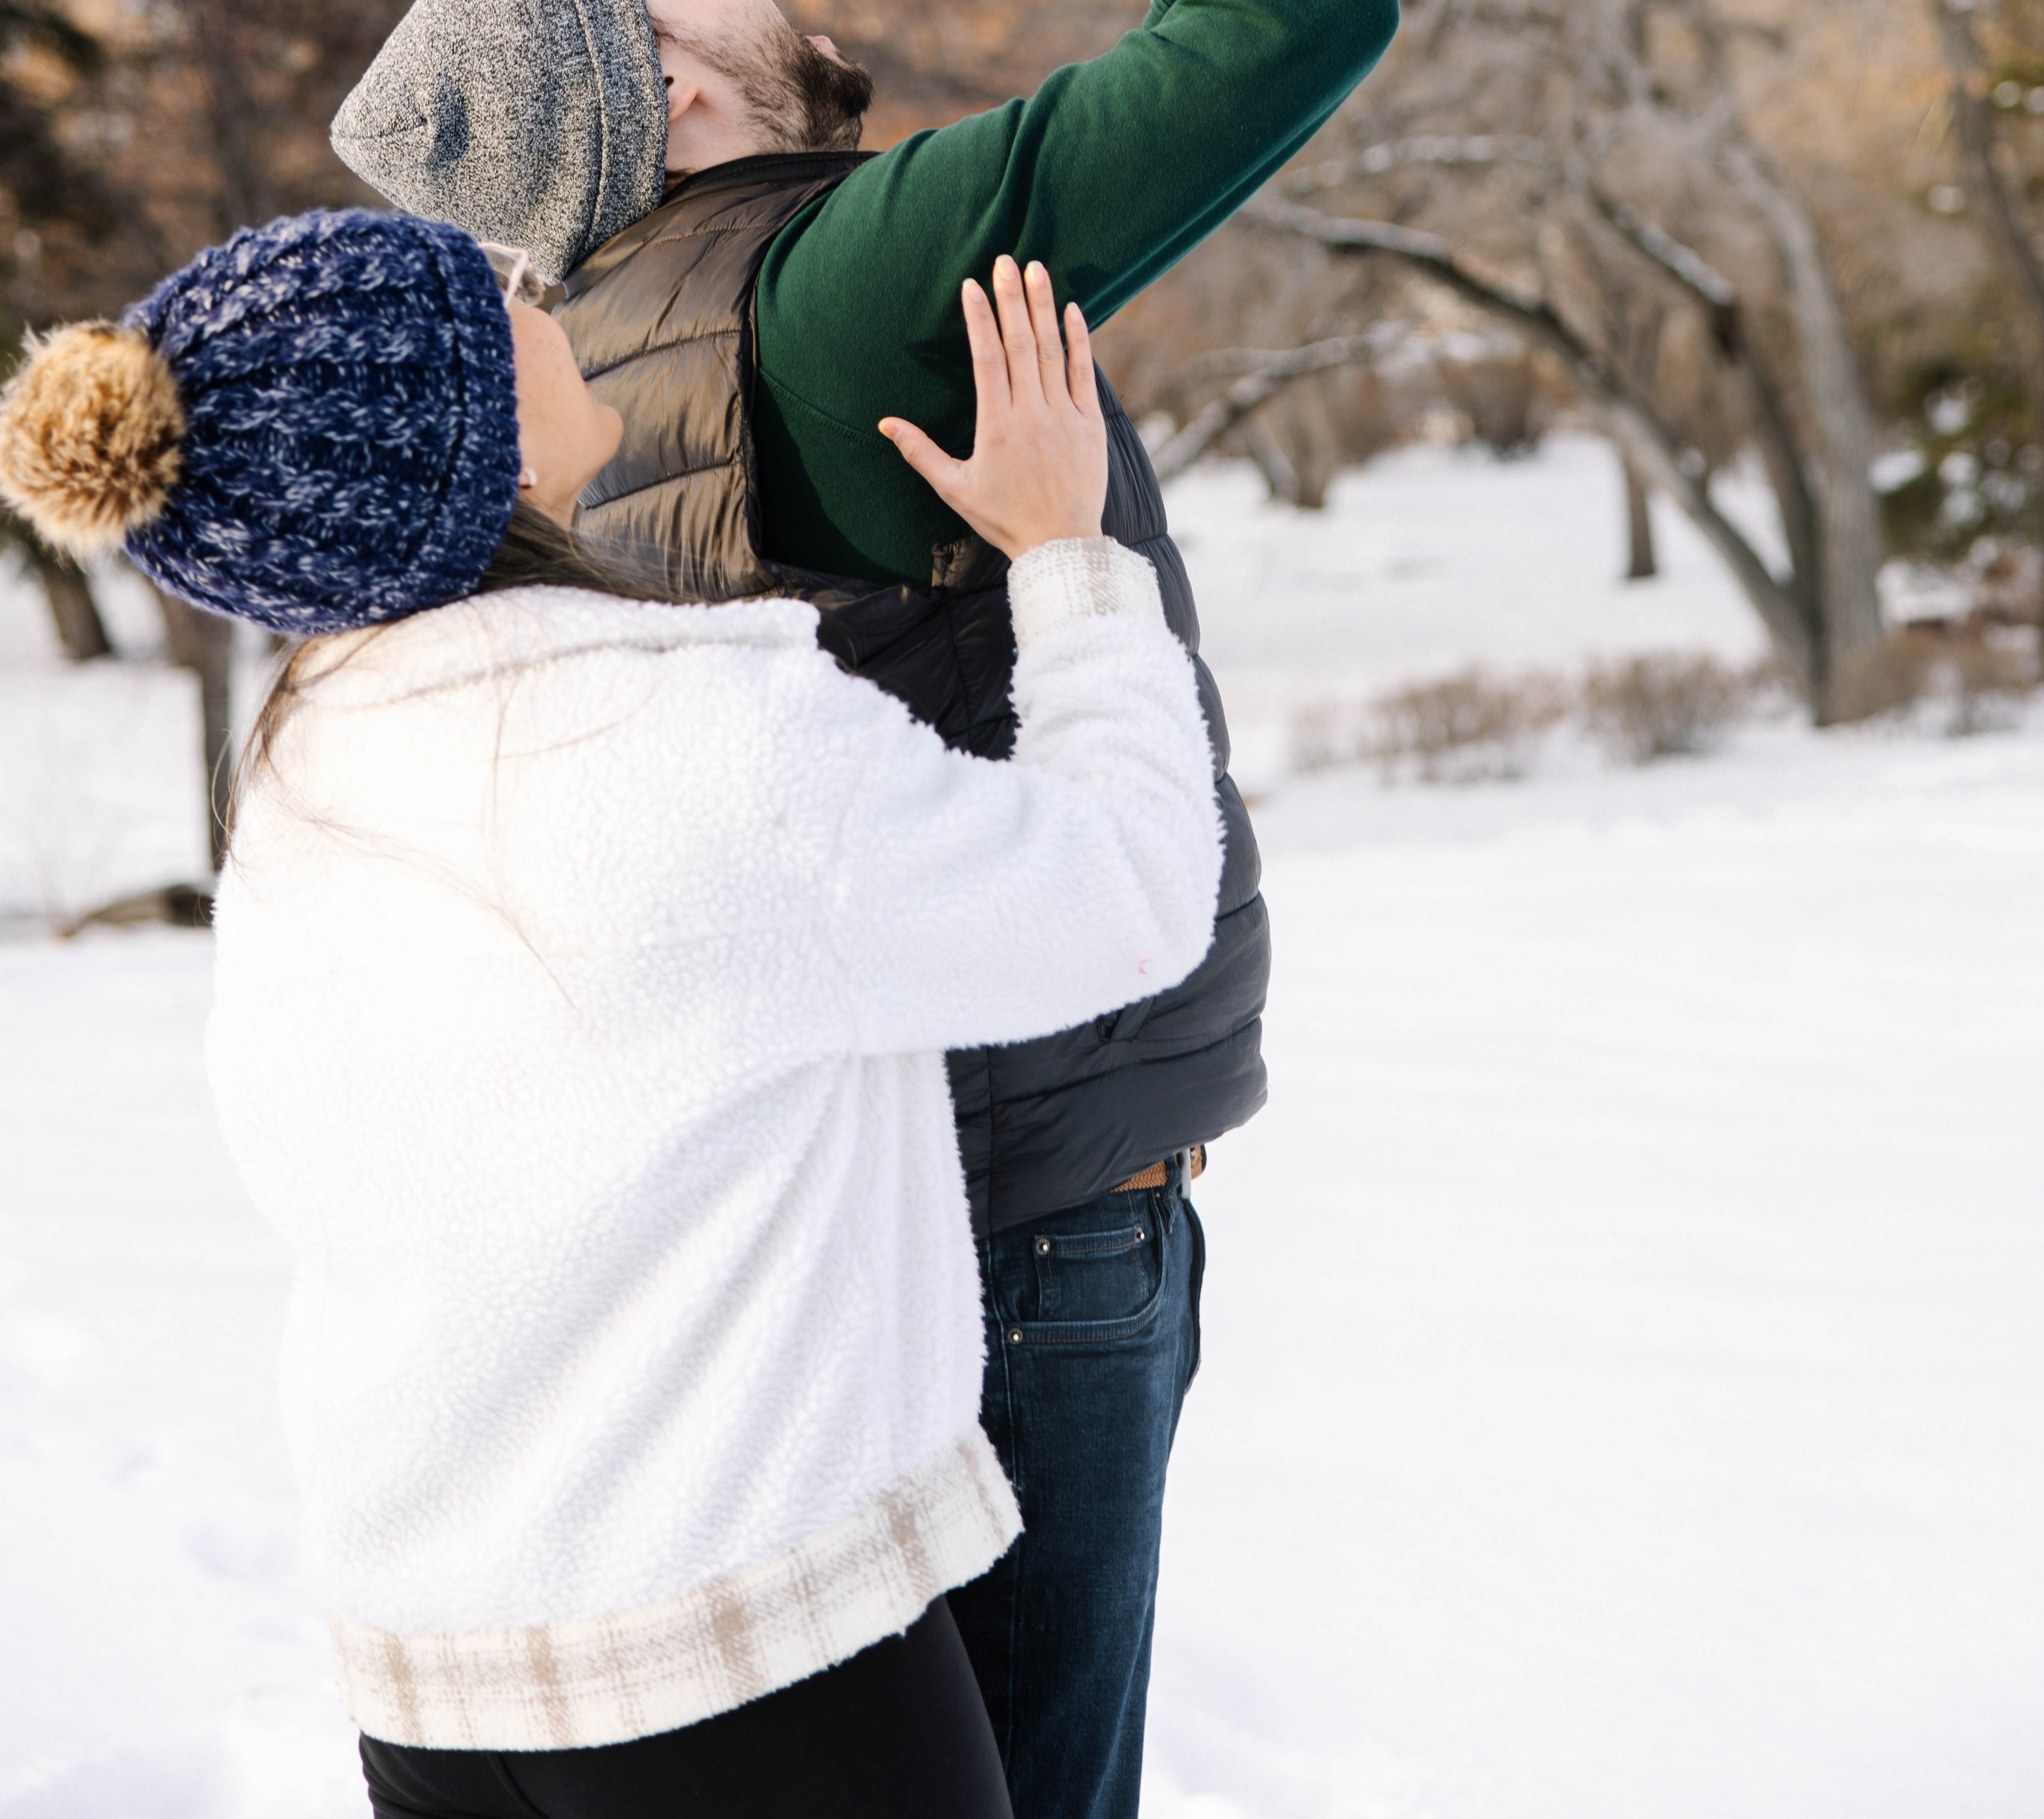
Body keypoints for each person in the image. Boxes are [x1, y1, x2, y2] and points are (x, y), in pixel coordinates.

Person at [327, 0, 1391, 1819]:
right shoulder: (831, 286)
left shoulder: (603, 360)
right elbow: (1277, 31)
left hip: (900, 1230)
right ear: (659, 91)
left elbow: (1169, 56)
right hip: (1030, 1236)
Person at [0, 208, 1223, 1819]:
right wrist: (1067, 560)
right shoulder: (689, 737)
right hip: (738, 1669)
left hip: (435, 1686)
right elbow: (1124, 888)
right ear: (460, 436)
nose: (531, 276)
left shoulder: (306, 779)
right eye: (482, 294)